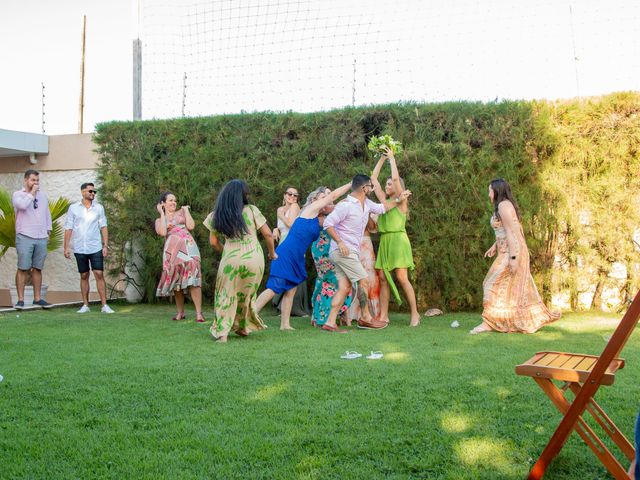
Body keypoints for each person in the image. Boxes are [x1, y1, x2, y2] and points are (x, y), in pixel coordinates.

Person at [254, 182, 352, 330]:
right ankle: (250, 315)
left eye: (326, 197)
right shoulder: (309, 210)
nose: (326, 199)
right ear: (314, 200)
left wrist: (347, 203)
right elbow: (332, 197)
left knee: (291, 289)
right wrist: (352, 184)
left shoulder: (319, 219)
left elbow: (334, 215)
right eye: (322, 197)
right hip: (287, 253)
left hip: (297, 256)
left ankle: (285, 324)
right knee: (275, 286)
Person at [470, 178, 561, 334]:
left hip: (513, 252)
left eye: (490, 190)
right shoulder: (502, 206)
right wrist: (494, 245)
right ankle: (496, 322)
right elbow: (504, 231)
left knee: (490, 284)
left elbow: (513, 233)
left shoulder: (503, 205)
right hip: (507, 250)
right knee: (506, 289)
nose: (488, 194)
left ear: (497, 190)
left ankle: (489, 323)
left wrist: (514, 258)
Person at [204, 179, 277, 343]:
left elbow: (213, 242)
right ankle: (243, 328)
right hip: (254, 258)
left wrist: (228, 254)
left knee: (226, 294)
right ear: (243, 195)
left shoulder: (216, 215)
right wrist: (272, 254)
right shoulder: (252, 210)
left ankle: (223, 334)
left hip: (230, 258)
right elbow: (268, 234)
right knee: (247, 295)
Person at [321, 174, 391, 332]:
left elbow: (382, 208)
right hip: (342, 250)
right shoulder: (345, 205)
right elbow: (327, 223)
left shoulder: (365, 203)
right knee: (364, 280)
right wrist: (340, 242)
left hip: (347, 251)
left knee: (344, 287)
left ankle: (330, 322)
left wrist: (400, 200)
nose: (371, 189)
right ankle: (365, 318)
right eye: (370, 186)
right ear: (364, 188)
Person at [370, 147, 420, 326]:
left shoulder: (401, 201)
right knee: (383, 278)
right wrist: (382, 158)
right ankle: (384, 315)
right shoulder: (384, 201)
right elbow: (373, 179)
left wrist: (392, 158)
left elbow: (397, 178)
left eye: (390, 184)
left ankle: (415, 314)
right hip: (385, 241)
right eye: (387, 183)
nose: (387, 185)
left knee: (401, 277)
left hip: (398, 241)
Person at [63, 182, 114, 313]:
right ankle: (85, 305)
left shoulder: (99, 208)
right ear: (83, 192)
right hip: (80, 248)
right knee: (84, 275)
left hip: (95, 247)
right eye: (90, 191)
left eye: (94, 192)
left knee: (99, 273)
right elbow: (68, 228)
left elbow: (103, 226)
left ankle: (104, 305)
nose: (93, 194)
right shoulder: (73, 208)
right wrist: (66, 247)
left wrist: (105, 245)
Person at [155, 191, 204, 322]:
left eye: (175, 200)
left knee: (193, 277)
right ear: (163, 204)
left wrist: (186, 211)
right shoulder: (159, 220)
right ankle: (180, 312)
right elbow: (162, 232)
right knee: (176, 282)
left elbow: (191, 226)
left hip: (189, 249)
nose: (174, 202)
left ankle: (199, 313)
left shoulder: (182, 213)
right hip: (172, 254)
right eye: (170, 200)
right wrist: (162, 213)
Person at [310, 187, 354, 327]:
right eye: (326, 194)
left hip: (333, 248)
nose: (329, 196)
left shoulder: (335, 209)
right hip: (322, 250)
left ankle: (338, 315)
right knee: (328, 281)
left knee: (339, 281)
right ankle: (322, 317)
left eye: (330, 193)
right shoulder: (319, 211)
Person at [12, 169, 52, 309]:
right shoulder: (18, 195)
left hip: (41, 236)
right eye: (33, 180)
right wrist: (32, 193)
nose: (36, 183)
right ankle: (21, 300)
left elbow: (47, 213)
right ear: (26, 180)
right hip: (24, 235)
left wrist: (48, 230)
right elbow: (22, 206)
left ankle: (37, 298)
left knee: (37, 268)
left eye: (37, 180)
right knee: (23, 268)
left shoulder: (43, 196)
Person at [271, 186, 310, 317]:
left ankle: (296, 308)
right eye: (289, 194)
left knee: (293, 274)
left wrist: (281, 217)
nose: (292, 197)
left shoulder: (295, 207)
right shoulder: (279, 209)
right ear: (284, 195)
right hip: (283, 244)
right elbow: (282, 228)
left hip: (293, 244)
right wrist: (275, 229)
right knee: (283, 274)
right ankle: (282, 307)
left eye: (295, 195)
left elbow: (292, 226)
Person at [347, 213, 380, 325]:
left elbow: (372, 228)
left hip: (365, 241)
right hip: (351, 242)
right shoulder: (348, 206)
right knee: (352, 278)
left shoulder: (368, 208)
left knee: (370, 277)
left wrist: (367, 213)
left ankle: (372, 312)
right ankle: (352, 314)